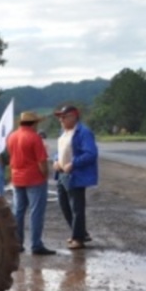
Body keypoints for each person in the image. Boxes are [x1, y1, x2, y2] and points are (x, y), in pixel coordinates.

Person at [6, 111, 55, 255]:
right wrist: (45, 175)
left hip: (17, 178)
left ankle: (17, 243)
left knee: (18, 211)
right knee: (36, 212)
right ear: (34, 123)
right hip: (34, 179)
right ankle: (36, 244)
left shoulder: (12, 137)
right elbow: (42, 162)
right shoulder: (34, 138)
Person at [52, 105, 98, 250]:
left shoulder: (83, 132)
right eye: (60, 117)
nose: (61, 119)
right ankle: (80, 233)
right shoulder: (64, 132)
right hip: (61, 174)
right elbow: (60, 151)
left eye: (64, 117)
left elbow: (91, 153)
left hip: (75, 175)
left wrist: (74, 163)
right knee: (64, 206)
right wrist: (55, 160)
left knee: (77, 208)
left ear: (73, 116)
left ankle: (78, 238)